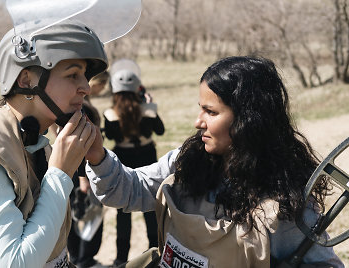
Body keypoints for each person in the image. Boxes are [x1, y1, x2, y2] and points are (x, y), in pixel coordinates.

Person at [85, 56, 344, 267]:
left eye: (211, 112)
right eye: (201, 108)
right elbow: (125, 190)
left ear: (248, 120)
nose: (198, 122)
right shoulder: (186, 163)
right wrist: (97, 156)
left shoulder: (285, 207)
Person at [0, 19, 109, 267]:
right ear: (26, 81)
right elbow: (15, 263)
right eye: (73, 75)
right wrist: (60, 174)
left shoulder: (37, 143)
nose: (85, 88)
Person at [103, 59, 164, 266]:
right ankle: (155, 252)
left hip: (124, 160)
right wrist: (149, 104)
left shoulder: (110, 114)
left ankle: (121, 257)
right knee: (150, 210)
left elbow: (112, 137)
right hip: (147, 158)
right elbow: (160, 131)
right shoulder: (147, 110)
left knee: (122, 212)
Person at [67, 71, 109, 268]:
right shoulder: (86, 110)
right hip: (83, 171)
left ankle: (77, 258)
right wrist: (84, 179)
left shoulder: (68, 107)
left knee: (74, 212)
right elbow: (85, 147)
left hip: (70, 167)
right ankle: (84, 259)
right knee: (88, 213)